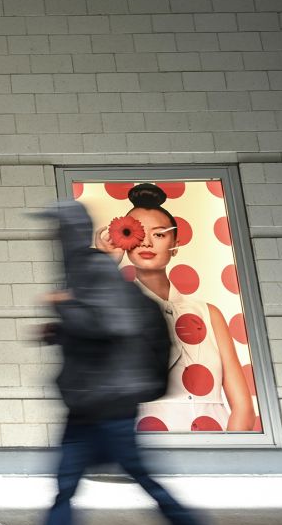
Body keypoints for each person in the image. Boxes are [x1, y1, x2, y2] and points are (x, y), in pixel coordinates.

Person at [20, 200, 242, 525]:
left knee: (148, 489)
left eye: (55, 230)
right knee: (66, 490)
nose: (51, 237)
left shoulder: (90, 269)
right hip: (90, 405)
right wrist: (59, 329)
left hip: (108, 410)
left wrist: (65, 308)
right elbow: (98, 326)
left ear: (67, 233)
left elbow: (114, 325)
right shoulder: (81, 270)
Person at [97, 183, 255, 432]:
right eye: (135, 233)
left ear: (176, 243)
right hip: (146, 439)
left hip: (216, 442)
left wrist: (230, 454)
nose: (147, 243)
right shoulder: (113, 309)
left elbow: (243, 407)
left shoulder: (208, 313)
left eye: (159, 234)